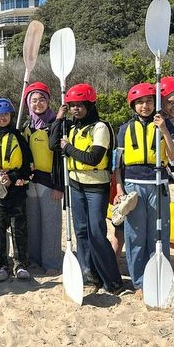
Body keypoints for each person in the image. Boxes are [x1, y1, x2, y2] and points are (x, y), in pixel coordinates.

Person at [50, 83, 123, 295]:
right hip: (75, 185)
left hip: (95, 187)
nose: (76, 109)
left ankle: (112, 280)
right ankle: (89, 274)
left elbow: (93, 158)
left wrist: (68, 147)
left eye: (80, 105)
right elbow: (53, 143)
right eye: (72, 106)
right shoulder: (71, 127)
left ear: (90, 105)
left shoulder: (100, 127)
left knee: (96, 233)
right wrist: (58, 118)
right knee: (81, 232)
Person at [113, 82, 174, 299]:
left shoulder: (165, 125)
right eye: (140, 102)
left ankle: (159, 277)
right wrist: (119, 189)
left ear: (155, 103)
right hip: (133, 186)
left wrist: (164, 131)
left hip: (158, 185)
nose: (145, 106)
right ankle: (140, 282)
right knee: (135, 236)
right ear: (133, 105)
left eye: (149, 101)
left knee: (159, 235)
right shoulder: (124, 129)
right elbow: (118, 165)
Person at [0, 98, 33, 281]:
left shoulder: (18, 137)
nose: (2, 118)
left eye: (5, 114)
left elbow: (28, 167)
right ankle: (3, 265)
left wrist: (12, 177)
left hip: (16, 191)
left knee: (19, 229)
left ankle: (20, 265)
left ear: (11, 115)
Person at [21, 82, 64, 276]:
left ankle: (52, 262)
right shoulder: (26, 127)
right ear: (28, 104)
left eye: (42, 100)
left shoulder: (57, 124)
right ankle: (34, 259)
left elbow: (60, 159)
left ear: (48, 102)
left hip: (50, 180)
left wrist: (59, 186)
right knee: (33, 223)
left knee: (51, 223)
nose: (38, 104)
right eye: (34, 100)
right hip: (31, 181)